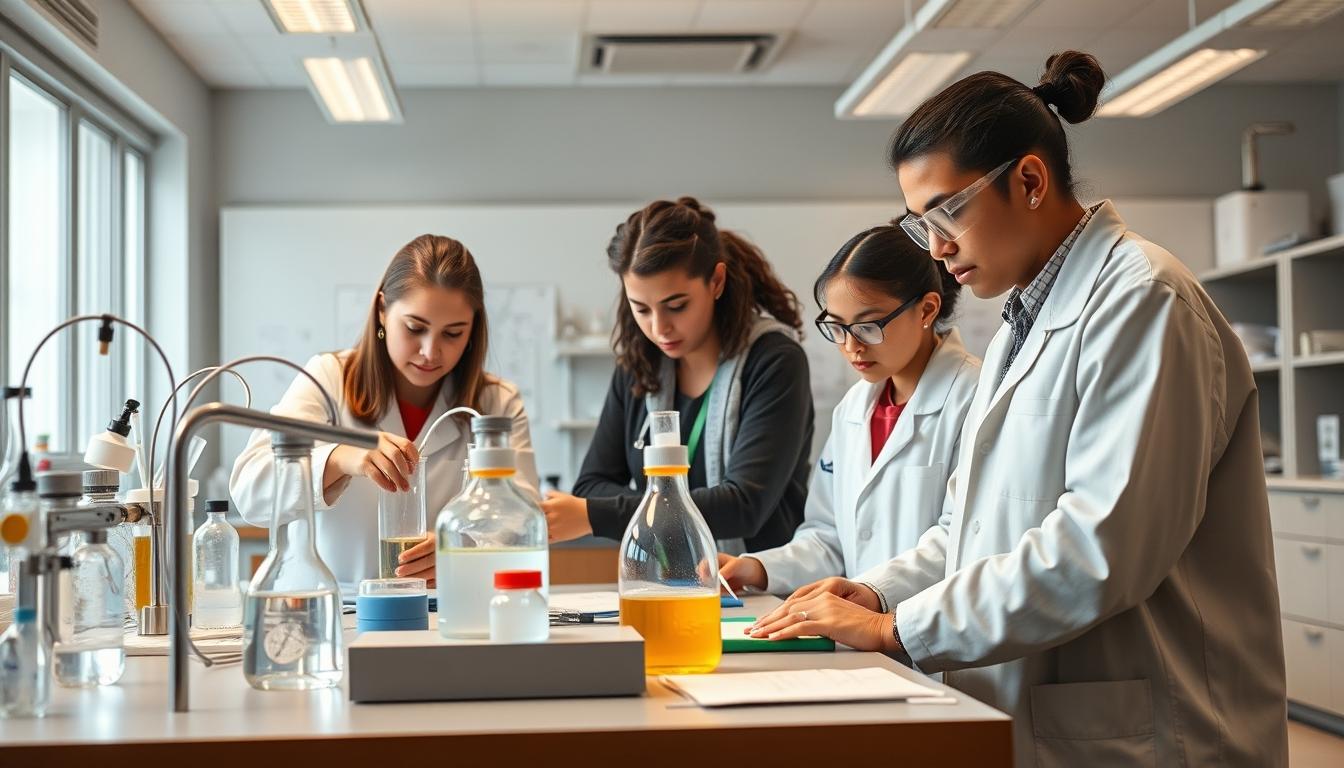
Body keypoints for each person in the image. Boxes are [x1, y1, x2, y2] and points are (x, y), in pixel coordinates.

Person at [750, 51, 1287, 766]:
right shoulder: (1018, 326)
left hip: (1153, 726)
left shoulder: (1144, 300)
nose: (937, 247)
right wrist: (877, 594)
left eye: (947, 212)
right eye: (920, 224)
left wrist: (899, 628)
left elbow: (1100, 548)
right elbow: (973, 527)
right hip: (1045, 712)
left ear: (1030, 181)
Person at [230, 234, 540, 591]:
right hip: (334, 608)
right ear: (382, 310)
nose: (430, 351)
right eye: (415, 328)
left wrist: (465, 548)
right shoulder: (328, 378)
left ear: (473, 329)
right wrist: (341, 458)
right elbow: (250, 491)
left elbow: (525, 523)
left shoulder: (497, 402)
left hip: (445, 610)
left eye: (453, 334)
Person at [542, 197, 812, 555]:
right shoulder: (638, 366)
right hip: (664, 577)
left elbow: (744, 506)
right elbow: (591, 486)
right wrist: (608, 508)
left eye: (676, 306)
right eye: (641, 309)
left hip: (763, 580)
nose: (659, 328)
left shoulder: (775, 361)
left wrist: (598, 514)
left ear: (716, 281)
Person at [718, 223, 979, 594]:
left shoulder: (974, 396)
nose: (852, 346)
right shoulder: (854, 409)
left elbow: (960, 538)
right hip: (861, 621)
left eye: (868, 326)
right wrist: (757, 568)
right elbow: (829, 536)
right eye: (838, 327)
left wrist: (873, 591)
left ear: (926, 309)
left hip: (930, 622)